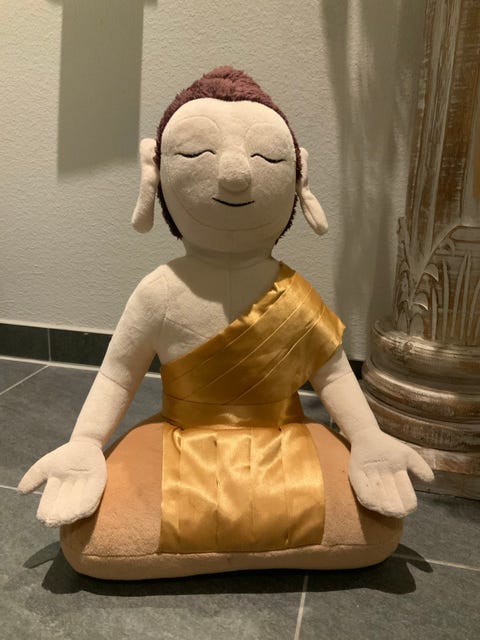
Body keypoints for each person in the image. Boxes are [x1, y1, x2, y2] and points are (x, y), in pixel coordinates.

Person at [18, 68, 433, 580]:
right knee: (95, 537)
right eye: (196, 154)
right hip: (182, 436)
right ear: (156, 171)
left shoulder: (294, 293)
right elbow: (117, 375)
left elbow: (332, 373)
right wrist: (84, 442)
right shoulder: (160, 292)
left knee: (377, 523)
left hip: (284, 435)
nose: (236, 175)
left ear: (298, 176)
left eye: (268, 159)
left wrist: (367, 437)